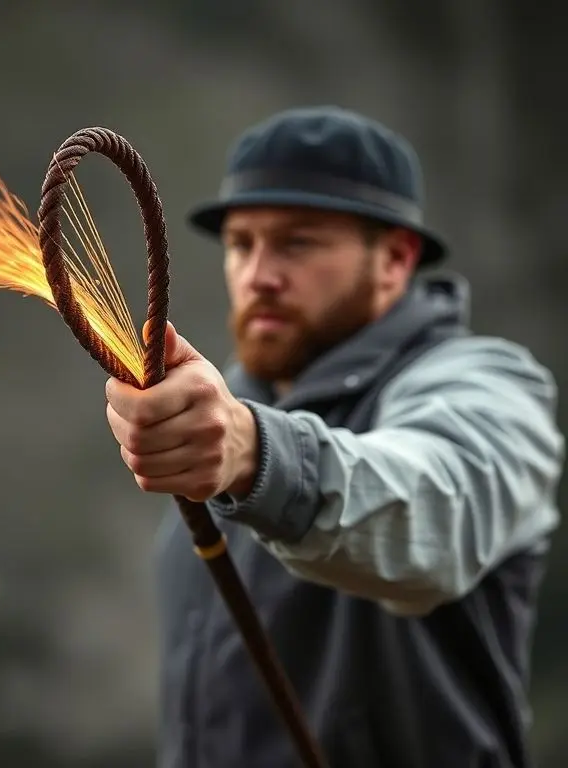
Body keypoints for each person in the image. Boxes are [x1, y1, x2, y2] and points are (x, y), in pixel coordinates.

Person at [104, 106, 564, 767]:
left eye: (298, 243)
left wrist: (257, 456)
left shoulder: (487, 388)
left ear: (396, 259)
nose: (259, 274)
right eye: (241, 244)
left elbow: (431, 502)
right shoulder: (227, 408)